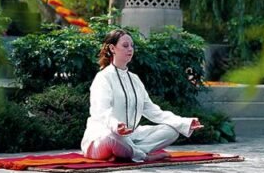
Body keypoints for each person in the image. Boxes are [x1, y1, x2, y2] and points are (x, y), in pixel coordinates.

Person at [81, 29, 203, 162]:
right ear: (112, 48)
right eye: (125, 45)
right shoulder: (103, 77)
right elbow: (102, 112)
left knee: (172, 131)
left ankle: (128, 152)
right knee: (113, 137)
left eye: (132, 46)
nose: (130, 49)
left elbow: (154, 111)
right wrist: (116, 126)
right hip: (102, 137)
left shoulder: (135, 79)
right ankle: (142, 155)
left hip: (130, 137)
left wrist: (184, 122)